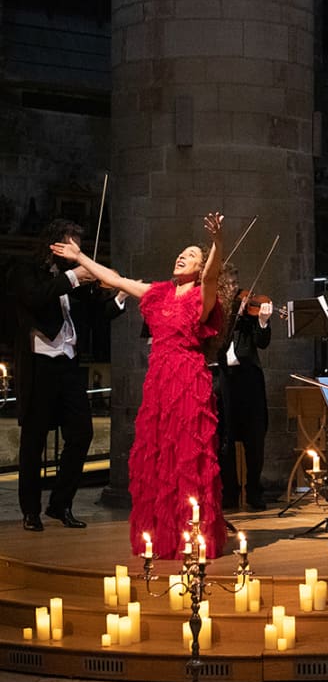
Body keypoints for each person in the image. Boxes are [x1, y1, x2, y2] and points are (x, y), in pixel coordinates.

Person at [50, 212, 228, 559]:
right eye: (181, 252)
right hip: (159, 381)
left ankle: (192, 533)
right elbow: (115, 281)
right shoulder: (159, 293)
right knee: (160, 455)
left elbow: (212, 276)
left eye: (191, 254)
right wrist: (80, 258)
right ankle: (163, 533)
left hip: (189, 381)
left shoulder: (203, 299)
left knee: (189, 457)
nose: (182, 256)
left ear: (199, 265)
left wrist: (218, 242)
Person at [10, 219, 126, 532]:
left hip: (69, 366)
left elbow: (99, 312)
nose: (78, 251)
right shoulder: (26, 271)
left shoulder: (73, 280)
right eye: (73, 244)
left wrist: (120, 294)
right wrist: (75, 275)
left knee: (82, 434)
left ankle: (60, 504)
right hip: (39, 365)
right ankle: (31, 511)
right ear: (55, 244)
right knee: (33, 442)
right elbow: (36, 297)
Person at [215, 271, 272, 512]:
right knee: (224, 437)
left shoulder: (248, 313)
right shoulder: (215, 311)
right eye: (230, 284)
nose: (237, 290)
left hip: (249, 378)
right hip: (222, 379)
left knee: (255, 437)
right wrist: (229, 317)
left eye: (237, 284)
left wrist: (262, 321)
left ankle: (254, 491)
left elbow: (262, 342)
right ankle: (229, 491)